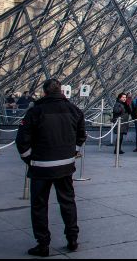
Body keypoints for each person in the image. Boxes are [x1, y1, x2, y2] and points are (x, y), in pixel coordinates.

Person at [16, 78, 86, 257]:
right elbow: (81, 135)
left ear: (45, 92)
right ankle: (72, 239)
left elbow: (22, 140)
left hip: (41, 166)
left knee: (39, 205)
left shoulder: (36, 111)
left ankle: (43, 244)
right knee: (68, 202)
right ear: (61, 91)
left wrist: (29, 159)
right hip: (65, 166)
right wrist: (73, 153)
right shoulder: (74, 110)